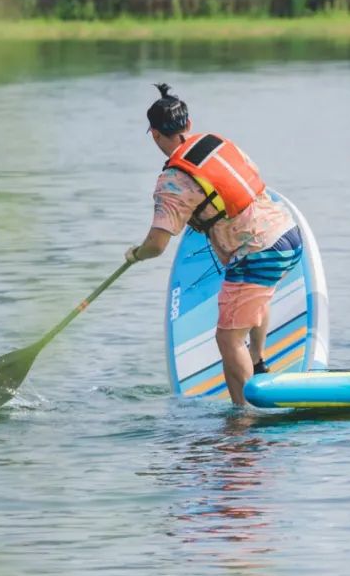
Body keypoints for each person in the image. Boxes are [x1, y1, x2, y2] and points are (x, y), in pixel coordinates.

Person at [126, 83, 302, 406]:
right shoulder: (219, 142)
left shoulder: (173, 181)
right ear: (188, 125)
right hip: (289, 235)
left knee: (228, 338)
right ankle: (259, 361)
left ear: (153, 135)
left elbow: (158, 243)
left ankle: (245, 417)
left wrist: (136, 254)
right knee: (255, 299)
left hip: (256, 253)